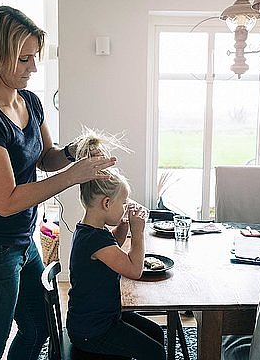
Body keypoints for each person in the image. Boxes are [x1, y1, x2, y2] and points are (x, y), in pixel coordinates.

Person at [0, 5, 116, 360]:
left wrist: (73, 153)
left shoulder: (30, 103)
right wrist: (73, 177)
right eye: (23, 60)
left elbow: (46, 157)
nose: (33, 69)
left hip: (21, 242)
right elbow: (6, 201)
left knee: (38, 327)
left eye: (34, 57)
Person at [66, 132, 166, 360]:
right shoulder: (95, 240)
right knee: (156, 353)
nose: (124, 209)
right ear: (107, 203)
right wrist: (138, 233)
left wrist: (123, 227)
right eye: (123, 204)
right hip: (93, 331)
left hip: (99, 319)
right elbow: (134, 270)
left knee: (155, 332)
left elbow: (111, 248)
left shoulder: (89, 231)